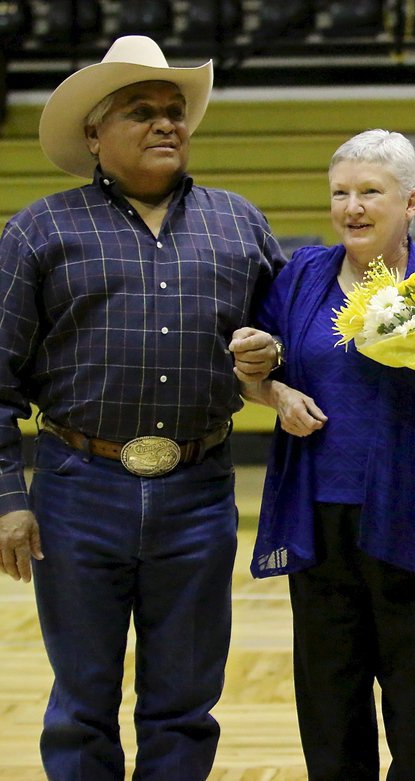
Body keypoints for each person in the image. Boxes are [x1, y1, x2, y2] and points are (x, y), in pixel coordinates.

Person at [0, 35, 284, 779]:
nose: (166, 123)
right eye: (141, 111)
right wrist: (7, 499)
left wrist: (271, 354)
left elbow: (290, 339)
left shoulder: (240, 223)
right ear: (94, 134)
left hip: (198, 488)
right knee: (82, 700)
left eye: (174, 111)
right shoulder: (41, 230)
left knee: (186, 701)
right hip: (75, 488)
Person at [238, 129, 415, 781]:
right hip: (319, 523)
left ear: (410, 202)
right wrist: (277, 392)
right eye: (340, 192)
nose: (352, 206)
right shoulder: (299, 278)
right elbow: (253, 369)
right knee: (330, 711)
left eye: (369, 192)